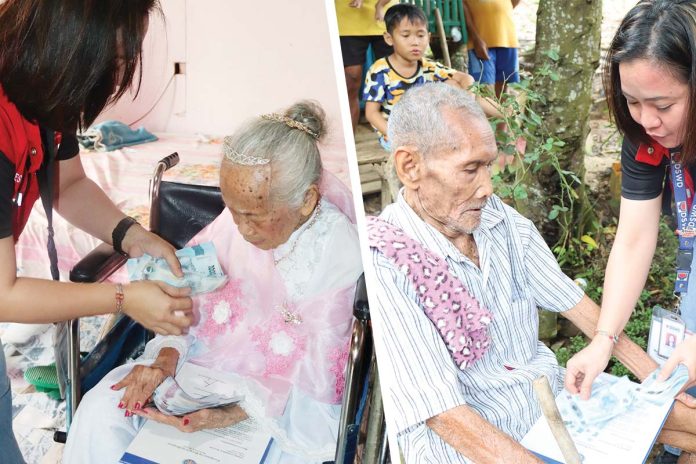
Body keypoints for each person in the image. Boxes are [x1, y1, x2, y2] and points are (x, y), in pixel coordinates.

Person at [367, 83, 696, 462]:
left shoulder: (498, 220)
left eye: (488, 165)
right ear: (410, 167)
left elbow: (581, 310)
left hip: (554, 408)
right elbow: (447, 417)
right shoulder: (385, 262)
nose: (487, 187)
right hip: (476, 446)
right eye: (470, 169)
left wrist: (659, 382)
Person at [63, 101, 363, 464]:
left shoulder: (341, 252)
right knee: (102, 409)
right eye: (232, 210)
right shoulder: (234, 225)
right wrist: (166, 359)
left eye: (252, 216)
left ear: (306, 201)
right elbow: (190, 309)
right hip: (202, 370)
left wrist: (230, 413)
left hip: (283, 405)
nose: (239, 227)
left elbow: (321, 384)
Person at [0, 1, 194, 462]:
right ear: (72, 43)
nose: (122, 72)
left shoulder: (47, 96)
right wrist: (125, 298)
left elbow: (68, 184)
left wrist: (131, 235)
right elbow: (4, 294)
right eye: (120, 57)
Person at [564, 2, 696, 461]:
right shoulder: (646, 136)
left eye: (663, 104)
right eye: (632, 101)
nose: (646, 121)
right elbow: (635, 237)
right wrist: (603, 339)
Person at [363, 3, 500, 151]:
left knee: (455, 84)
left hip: (426, 131)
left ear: (428, 37)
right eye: (406, 35)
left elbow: (467, 79)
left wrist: (467, 102)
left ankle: (508, 115)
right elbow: (371, 113)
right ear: (389, 38)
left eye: (420, 35)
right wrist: (397, 136)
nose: (415, 42)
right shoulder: (380, 70)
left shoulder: (428, 66)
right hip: (396, 137)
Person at [336, 0, 396, 131]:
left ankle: (406, 137)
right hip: (347, 19)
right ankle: (349, 139)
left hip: (385, 17)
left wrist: (379, 5)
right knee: (350, 81)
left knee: (396, 79)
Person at [464, 0, 521, 98]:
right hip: (480, 41)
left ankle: (502, 113)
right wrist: (476, 38)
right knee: (483, 88)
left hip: (507, 37)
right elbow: (463, 8)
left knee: (504, 86)